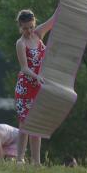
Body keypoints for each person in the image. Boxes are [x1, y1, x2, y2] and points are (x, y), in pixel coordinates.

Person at [14, 9, 56, 165]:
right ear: (20, 26)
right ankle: (20, 159)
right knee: (25, 123)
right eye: (25, 28)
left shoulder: (38, 34)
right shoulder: (20, 43)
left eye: (31, 26)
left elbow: (53, 20)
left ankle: (36, 161)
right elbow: (24, 68)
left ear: (34, 24)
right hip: (25, 87)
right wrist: (37, 76)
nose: (29, 31)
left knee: (36, 124)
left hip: (39, 86)